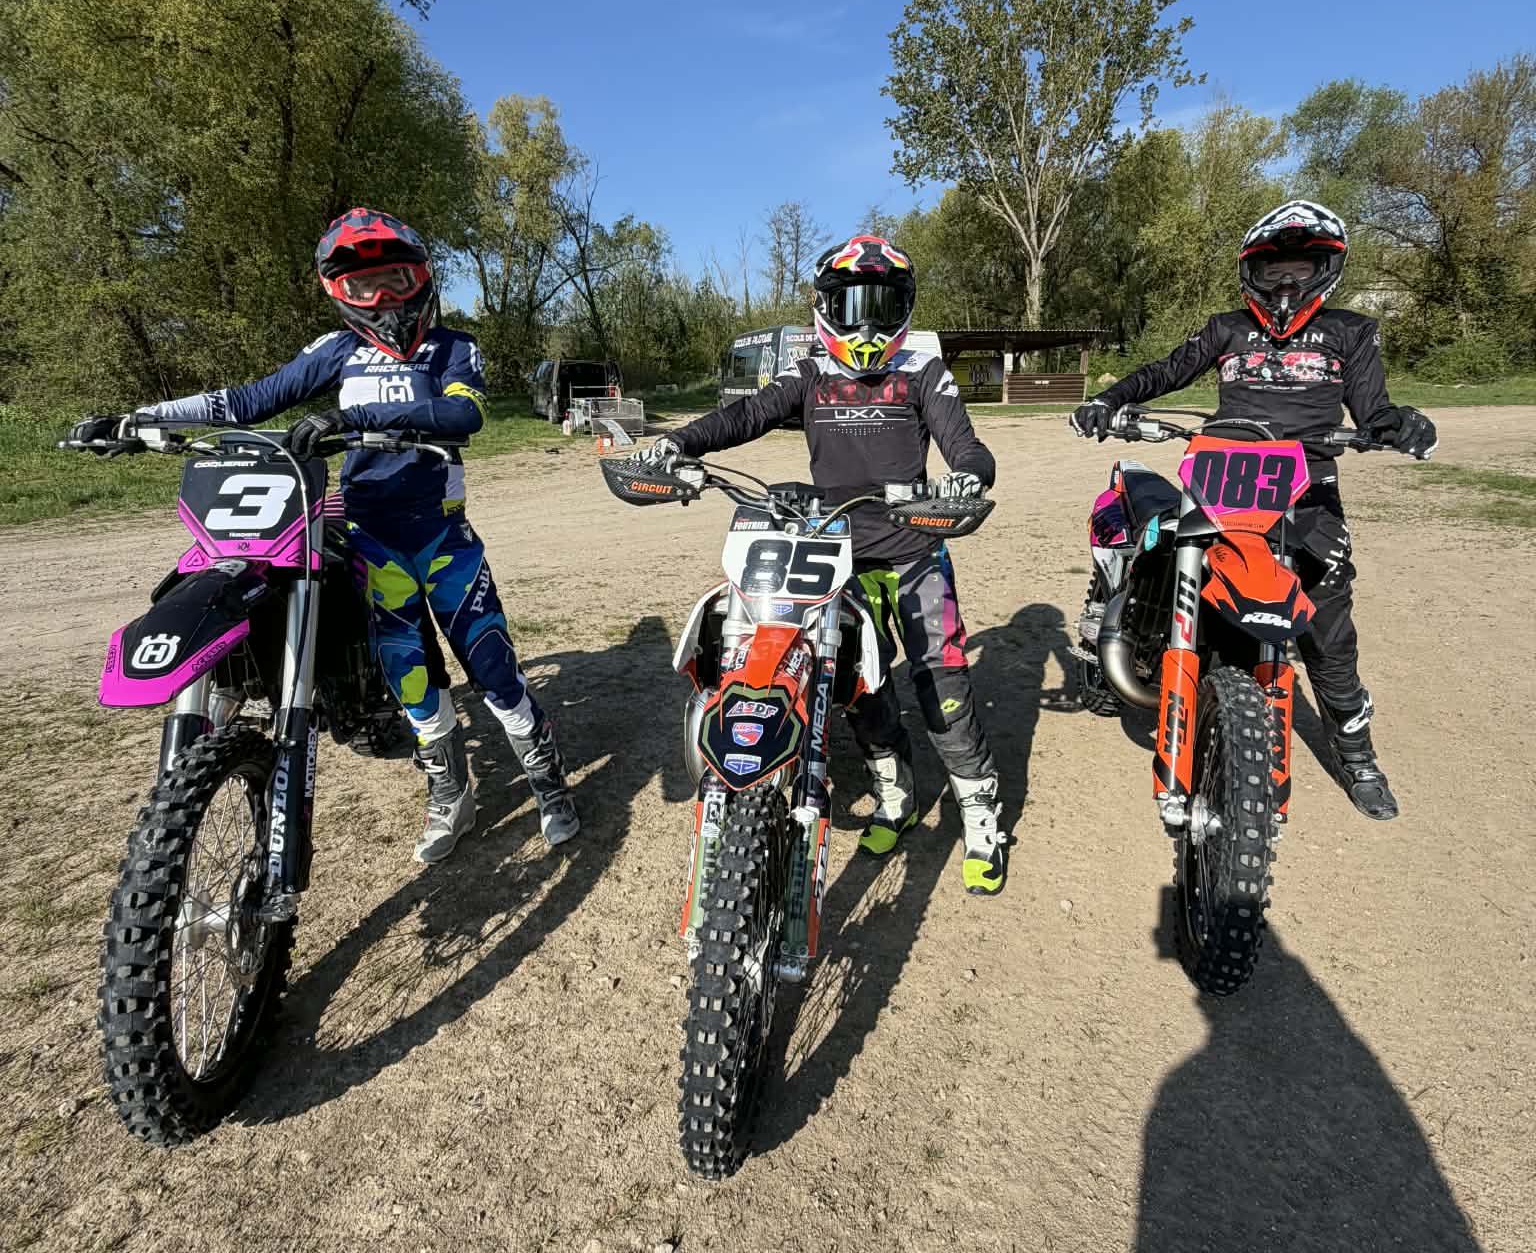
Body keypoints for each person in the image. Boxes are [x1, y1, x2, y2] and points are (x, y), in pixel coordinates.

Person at [69, 208, 579, 862]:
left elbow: (463, 413)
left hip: (444, 542)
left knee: (495, 672)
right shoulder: (337, 351)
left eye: (396, 279)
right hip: (373, 543)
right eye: (365, 286)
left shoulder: (454, 346)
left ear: (422, 278)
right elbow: (247, 400)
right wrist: (140, 417)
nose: (384, 298)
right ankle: (452, 798)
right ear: (340, 293)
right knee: (412, 682)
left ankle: (550, 787)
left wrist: (352, 418)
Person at [639, 232, 1006, 894]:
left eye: (882, 305)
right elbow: (746, 414)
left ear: (905, 308)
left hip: (916, 550)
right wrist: (678, 443)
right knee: (857, 691)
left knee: (943, 688)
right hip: (835, 556)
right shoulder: (808, 373)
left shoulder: (924, 371)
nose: (866, 323)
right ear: (825, 307)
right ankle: (895, 797)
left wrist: (967, 478)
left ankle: (982, 820)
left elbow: (967, 446)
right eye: (852, 305)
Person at [1071, 200, 1436, 820]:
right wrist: (1110, 399)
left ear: (1326, 270)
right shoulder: (1226, 328)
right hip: (1224, 478)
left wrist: (1397, 424)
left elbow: (1372, 409)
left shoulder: (1352, 332)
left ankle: (1358, 758)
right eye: (1274, 270)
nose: (1287, 283)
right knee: (1171, 569)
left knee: (1327, 632)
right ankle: (1153, 664)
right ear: (1252, 272)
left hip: (1308, 489)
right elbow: (1168, 370)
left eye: (1302, 268)